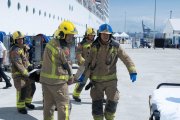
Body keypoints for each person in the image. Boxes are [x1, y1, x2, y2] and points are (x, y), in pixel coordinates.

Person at [83, 24, 137, 120]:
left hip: (111, 81)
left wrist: (132, 71)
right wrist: (82, 75)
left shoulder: (116, 46)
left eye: (108, 34)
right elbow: (87, 62)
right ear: (99, 34)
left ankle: (109, 116)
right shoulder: (93, 47)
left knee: (112, 105)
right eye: (103, 34)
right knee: (97, 110)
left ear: (110, 35)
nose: (106, 36)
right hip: (96, 82)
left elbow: (126, 58)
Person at [40, 21, 78, 120]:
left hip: (46, 82)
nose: (71, 39)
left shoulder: (51, 43)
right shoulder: (62, 48)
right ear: (62, 34)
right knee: (64, 106)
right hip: (58, 82)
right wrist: (71, 77)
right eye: (69, 36)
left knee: (48, 106)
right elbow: (67, 64)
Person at [9, 31, 36, 114]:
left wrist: (30, 66)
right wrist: (26, 73)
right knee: (22, 88)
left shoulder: (23, 48)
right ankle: (21, 106)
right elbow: (19, 64)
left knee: (32, 87)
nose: (21, 41)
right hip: (18, 74)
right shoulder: (14, 50)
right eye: (18, 39)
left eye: (22, 39)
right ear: (14, 41)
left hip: (26, 72)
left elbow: (25, 60)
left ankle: (27, 102)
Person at [72, 27, 96, 102]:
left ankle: (97, 97)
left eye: (93, 35)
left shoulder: (96, 43)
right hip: (85, 67)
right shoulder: (81, 44)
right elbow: (78, 53)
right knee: (82, 82)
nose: (92, 36)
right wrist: (82, 60)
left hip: (94, 67)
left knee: (96, 83)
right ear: (87, 35)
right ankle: (76, 95)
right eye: (90, 35)